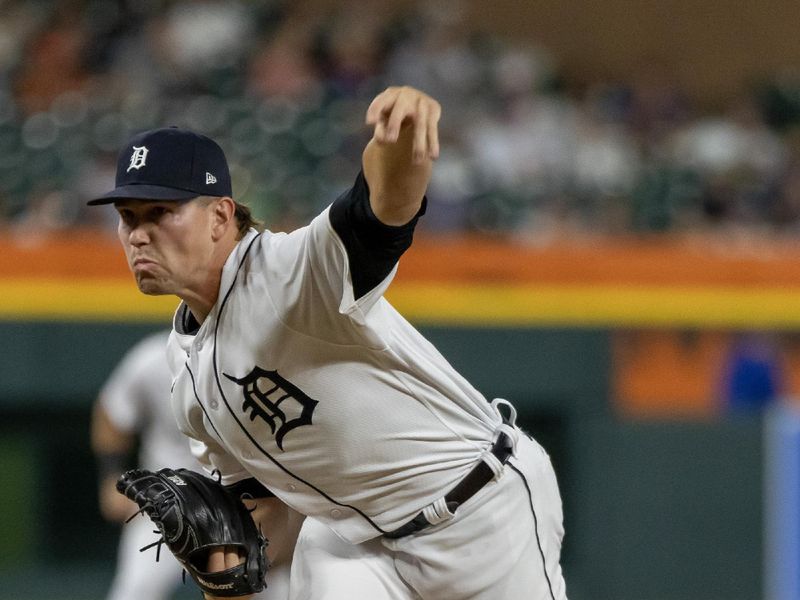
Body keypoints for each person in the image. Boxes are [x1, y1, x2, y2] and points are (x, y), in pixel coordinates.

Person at [88, 86, 567, 600]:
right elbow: (257, 517)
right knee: (321, 544)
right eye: (128, 217)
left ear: (221, 217)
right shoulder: (187, 377)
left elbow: (381, 210)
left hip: (479, 507)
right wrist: (220, 565)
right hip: (355, 543)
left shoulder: (287, 272)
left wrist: (398, 143)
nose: (138, 234)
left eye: (159, 213)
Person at [91, 330, 295, 600]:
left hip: (245, 504)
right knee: (135, 590)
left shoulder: (260, 354)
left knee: (276, 591)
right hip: (166, 504)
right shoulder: (154, 358)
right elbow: (112, 412)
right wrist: (110, 475)